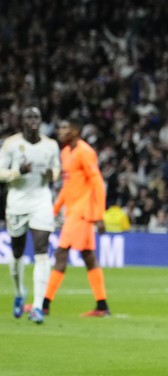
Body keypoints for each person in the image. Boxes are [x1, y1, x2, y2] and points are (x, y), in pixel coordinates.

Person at [43, 118, 110, 318]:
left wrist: (99, 215)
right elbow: (67, 186)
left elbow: (97, 183)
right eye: (59, 127)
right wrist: (54, 210)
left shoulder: (85, 152)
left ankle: (44, 304)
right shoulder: (65, 153)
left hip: (82, 212)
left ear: (76, 130)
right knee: (89, 257)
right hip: (72, 211)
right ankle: (102, 306)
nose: (60, 131)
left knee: (61, 253)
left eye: (65, 127)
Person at [0, 107, 61, 324]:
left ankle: (37, 306)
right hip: (17, 203)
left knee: (42, 250)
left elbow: (56, 169)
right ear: (22, 121)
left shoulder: (51, 145)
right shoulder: (11, 144)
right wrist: (18, 172)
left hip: (42, 202)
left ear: (41, 121)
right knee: (17, 251)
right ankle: (18, 291)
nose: (33, 121)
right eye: (29, 117)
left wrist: (51, 174)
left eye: (36, 117)